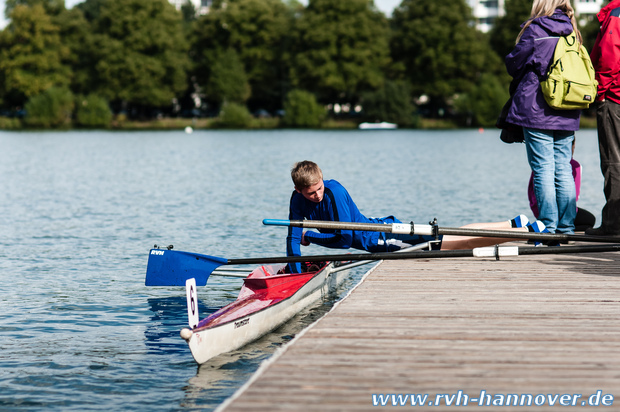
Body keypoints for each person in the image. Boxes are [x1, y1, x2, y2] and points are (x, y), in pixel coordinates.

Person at [285, 161, 547, 273]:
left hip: (381, 239)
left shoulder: (335, 192)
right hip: (381, 232)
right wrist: (294, 272)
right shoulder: (296, 201)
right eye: (311, 193)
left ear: (322, 179)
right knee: (452, 234)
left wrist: (313, 238)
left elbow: (343, 241)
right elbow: (292, 237)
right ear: (299, 191)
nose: (317, 195)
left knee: (458, 244)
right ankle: (517, 224)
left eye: (319, 188)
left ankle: (526, 234)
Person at [504, 0, 581, 235]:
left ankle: (548, 226)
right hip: (567, 108)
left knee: (543, 169)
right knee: (563, 168)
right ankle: (567, 227)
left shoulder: (535, 29)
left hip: (538, 109)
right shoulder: (572, 31)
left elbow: (514, 63)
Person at [588, 0, 620, 236]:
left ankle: (613, 224)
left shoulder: (616, 14)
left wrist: (599, 95)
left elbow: (609, 60)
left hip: (614, 98)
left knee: (613, 160)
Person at [527, 139, 596, 231]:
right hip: (565, 212)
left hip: (540, 209)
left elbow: (531, 191)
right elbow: (574, 197)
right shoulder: (575, 165)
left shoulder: (542, 165)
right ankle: (565, 229)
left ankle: (548, 226)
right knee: (590, 220)